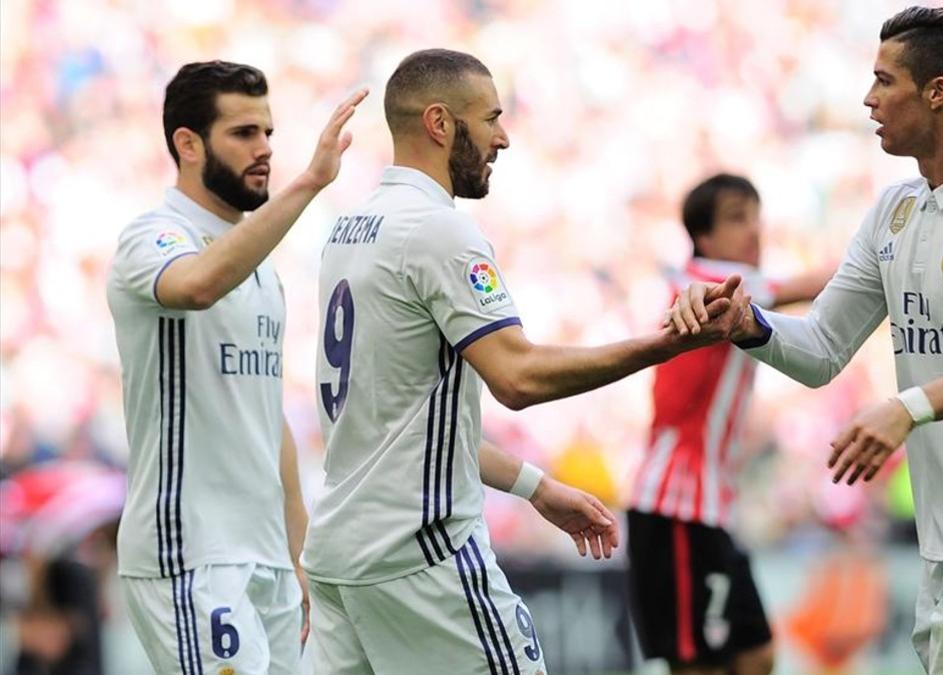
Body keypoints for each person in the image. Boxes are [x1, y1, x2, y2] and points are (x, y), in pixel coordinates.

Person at [668, 7, 943, 673]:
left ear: (937, 92)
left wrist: (908, 406)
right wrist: (749, 325)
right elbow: (820, 349)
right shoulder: (895, 210)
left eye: (883, 81)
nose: (868, 99)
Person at [301, 48, 743, 675]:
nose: (502, 138)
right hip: (420, 554)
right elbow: (517, 377)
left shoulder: (349, 231)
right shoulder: (436, 230)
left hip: (341, 556)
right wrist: (666, 344)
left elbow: (404, 425)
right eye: (491, 119)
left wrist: (536, 488)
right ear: (440, 123)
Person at [105, 60, 366, 674]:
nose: (265, 149)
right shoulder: (154, 236)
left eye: (269, 133)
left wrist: (297, 551)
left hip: (266, 559)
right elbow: (197, 286)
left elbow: (265, 417)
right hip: (190, 555)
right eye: (244, 133)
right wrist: (309, 184)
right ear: (188, 144)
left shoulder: (263, 270)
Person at [627, 173, 828, 675]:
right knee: (703, 665)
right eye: (738, 218)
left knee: (756, 654)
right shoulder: (713, 287)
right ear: (705, 238)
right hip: (674, 507)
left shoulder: (729, 290)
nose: (755, 230)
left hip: (712, 508)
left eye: (757, 216)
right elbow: (816, 285)